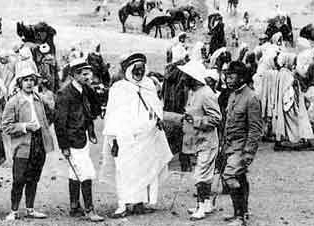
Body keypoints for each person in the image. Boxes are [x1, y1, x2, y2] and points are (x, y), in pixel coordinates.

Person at [103, 53, 172, 218]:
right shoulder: (119, 88)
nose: (139, 73)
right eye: (136, 69)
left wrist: (158, 119)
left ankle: (140, 203)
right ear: (128, 70)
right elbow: (112, 114)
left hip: (148, 136)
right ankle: (123, 205)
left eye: (142, 69)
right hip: (126, 138)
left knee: (146, 170)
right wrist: (113, 140)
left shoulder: (149, 85)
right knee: (125, 171)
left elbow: (155, 107)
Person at [2, 64, 56, 220]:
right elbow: (6, 126)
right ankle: (13, 210)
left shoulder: (39, 99)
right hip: (22, 144)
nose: (29, 83)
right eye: (25, 80)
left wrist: (43, 127)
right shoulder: (14, 101)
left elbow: (50, 115)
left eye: (32, 80)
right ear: (20, 82)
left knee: (34, 177)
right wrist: (25, 126)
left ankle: (30, 209)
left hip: (39, 141)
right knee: (19, 179)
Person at [54, 57, 104, 222]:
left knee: (75, 173)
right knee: (86, 172)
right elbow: (59, 122)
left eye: (88, 73)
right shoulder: (64, 93)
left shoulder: (86, 89)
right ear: (74, 75)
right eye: (83, 74)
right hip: (72, 140)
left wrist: (92, 90)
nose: (87, 76)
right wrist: (64, 146)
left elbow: (96, 109)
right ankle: (90, 210)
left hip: (83, 137)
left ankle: (74, 207)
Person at [220, 60, 263, 225]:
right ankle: (241, 213)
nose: (228, 80)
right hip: (230, 146)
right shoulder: (232, 95)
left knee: (230, 176)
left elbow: (255, 129)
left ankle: (240, 217)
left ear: (242, 78)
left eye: (232, 77)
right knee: (240, 177)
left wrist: (249, 152)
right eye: (227, 77)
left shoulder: (251, 98)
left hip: (241, 147)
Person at [178, 60, 221, 220]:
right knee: (205, 173)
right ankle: (207, 203)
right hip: (198, 141)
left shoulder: (206, 94)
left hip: (207, 142)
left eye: (186, 76)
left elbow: (216, 118)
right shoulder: (194, 92)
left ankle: (201, 207)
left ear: (193, 77)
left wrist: (195, 120)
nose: (183, 79)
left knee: (200, 175)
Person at [271, 53, 314, 150]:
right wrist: (295, 84)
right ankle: (303, 139)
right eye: (293, 62)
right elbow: (288, 88)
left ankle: (281, 141)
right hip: (289, 102)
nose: (294, 64)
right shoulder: (285, 74)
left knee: (288, 122)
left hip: (285, 102)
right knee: (297, 121)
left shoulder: (282, 73)